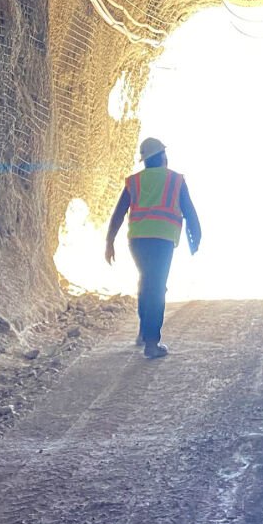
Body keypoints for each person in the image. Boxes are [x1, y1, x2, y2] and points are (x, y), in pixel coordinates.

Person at [105, 136, 201, 359]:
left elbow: (119, 212)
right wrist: (196, 236)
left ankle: (143, 331)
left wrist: (109, 241)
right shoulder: (175, 180)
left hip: (137, 241)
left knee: (146, 282)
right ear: (163, 157)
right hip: (162, 239)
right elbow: (189, 211)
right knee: (156, 287)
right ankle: (151, 343)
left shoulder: (134, 181)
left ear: (145, 160)